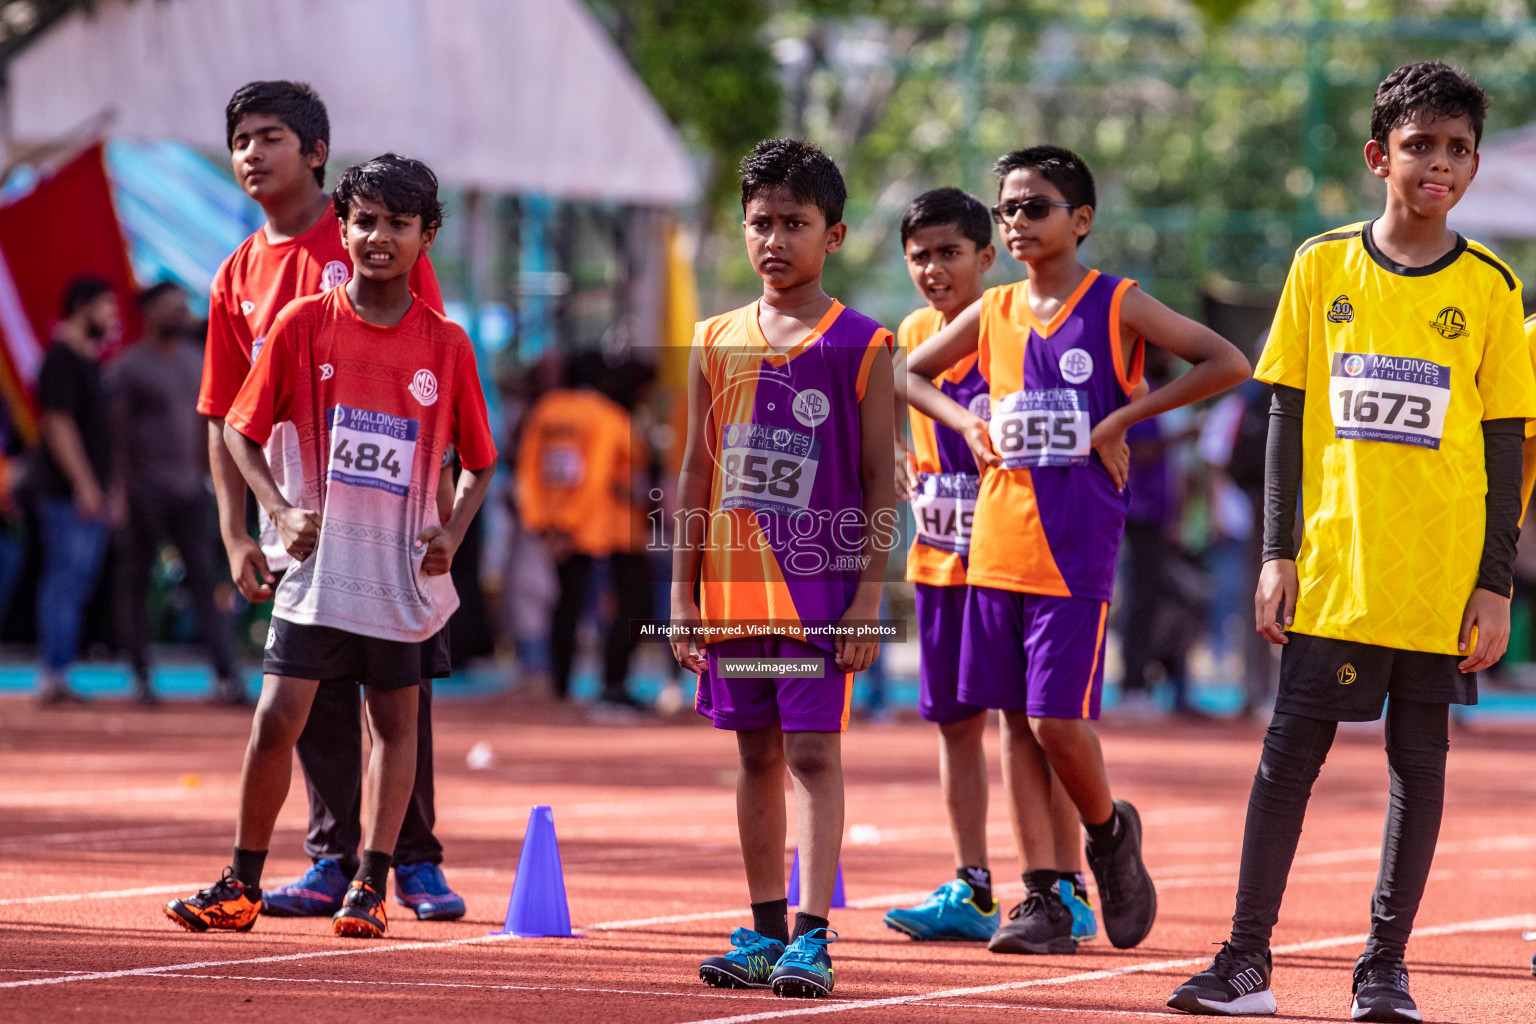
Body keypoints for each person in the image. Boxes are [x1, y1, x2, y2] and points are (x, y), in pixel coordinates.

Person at [1168, 62, 1535, 1022]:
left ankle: (1384, 967)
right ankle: (1246, 960)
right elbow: (1286, 421)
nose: (1439, 165)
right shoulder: (1321, 264)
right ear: (1380, 155)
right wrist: (1276, 553)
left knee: (1422, 761)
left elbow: (1504, 454)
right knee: (1288, 757)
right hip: (1334, 566)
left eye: (1458, 149)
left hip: (1439, 574)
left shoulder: (1494, 288)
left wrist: (1493, 585)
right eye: (1420, 146)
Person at [905, 145, 1249, 956]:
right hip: (995, 542)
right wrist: (967, 424)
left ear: (1081, 220)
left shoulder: (1116, 303)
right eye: (1007, 209)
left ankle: (1107, 833)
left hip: (1076, 544)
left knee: (1057, 719)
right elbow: (907, 371)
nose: (1017, 222)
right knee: (1013, 726)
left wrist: (1123, 420)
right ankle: (1045, 896)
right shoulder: (991, 314)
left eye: (1035, 207)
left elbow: (1227, 361)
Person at [165, 154, 496, 938]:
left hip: (399, 578)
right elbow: (240, 430)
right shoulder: (302, 324)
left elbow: (481, 461)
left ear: (428, 236)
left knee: (395, 725)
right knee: (277, 716)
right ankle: (241, 880)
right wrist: (274, 513)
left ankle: (370, 884)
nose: (378, 238)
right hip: (315, 573)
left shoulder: (447, 345)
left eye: (398, 224)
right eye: (365, 222)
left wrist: (450, 531)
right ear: (342, 228)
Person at [671, 139, 894, 998]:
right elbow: (695, 468)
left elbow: (881, 478)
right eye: (760, 222)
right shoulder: (713, 339)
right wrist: (684, 593)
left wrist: (869, 595)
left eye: (794, 224)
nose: (774, 239)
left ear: (832, 236)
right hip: (732, 592)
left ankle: (811, 937)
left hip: (819, 595)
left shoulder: (862, 346)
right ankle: (763, 929)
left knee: (811, 751)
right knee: (754, 753)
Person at [880, 187, 1097, 948]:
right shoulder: (911, 335)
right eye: (919, 257)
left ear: (986, 256)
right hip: (941, 558)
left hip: (1016, 558)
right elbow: (891, 403)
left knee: (1039, 726)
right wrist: (901, 453)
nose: (934, 270)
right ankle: (971, 883)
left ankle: (1066, 882)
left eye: (949, 254)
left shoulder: (1011, 327)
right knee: (953, 726)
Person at [109, 282, 237, 705]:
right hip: (146, 490)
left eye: (182, 307)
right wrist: (120, 490)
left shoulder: (196, 360)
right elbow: (117, 436)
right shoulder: (129, 367)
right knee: (138, 581)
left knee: (206, 580)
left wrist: (211, 479)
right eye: (170, 307)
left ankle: (225, 676)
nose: (180, 314)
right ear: (148, 313)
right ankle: (141, 675)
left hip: (190, 490)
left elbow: (208, 425)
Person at [515, 352, 643, 708]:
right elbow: (597, 476)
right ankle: (610, 683)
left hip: (552, 527)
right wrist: (571, 526)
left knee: (565, 605)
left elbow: (528, 469)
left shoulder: (546, 410)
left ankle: (560, 685)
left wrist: (544, 525)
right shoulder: (606, 415)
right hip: (591, 527)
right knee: (619, 603)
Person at [35, 276, 121, 705]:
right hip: (68, 496)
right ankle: (54, 675)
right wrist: (85, 484)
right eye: (106, 307)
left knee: (75, 585)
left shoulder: (88, 362)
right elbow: (58, 425)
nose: (113, 318)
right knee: (64, 583)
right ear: (82, 307)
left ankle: (59, 673)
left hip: (88, 495)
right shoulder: (62, 361)